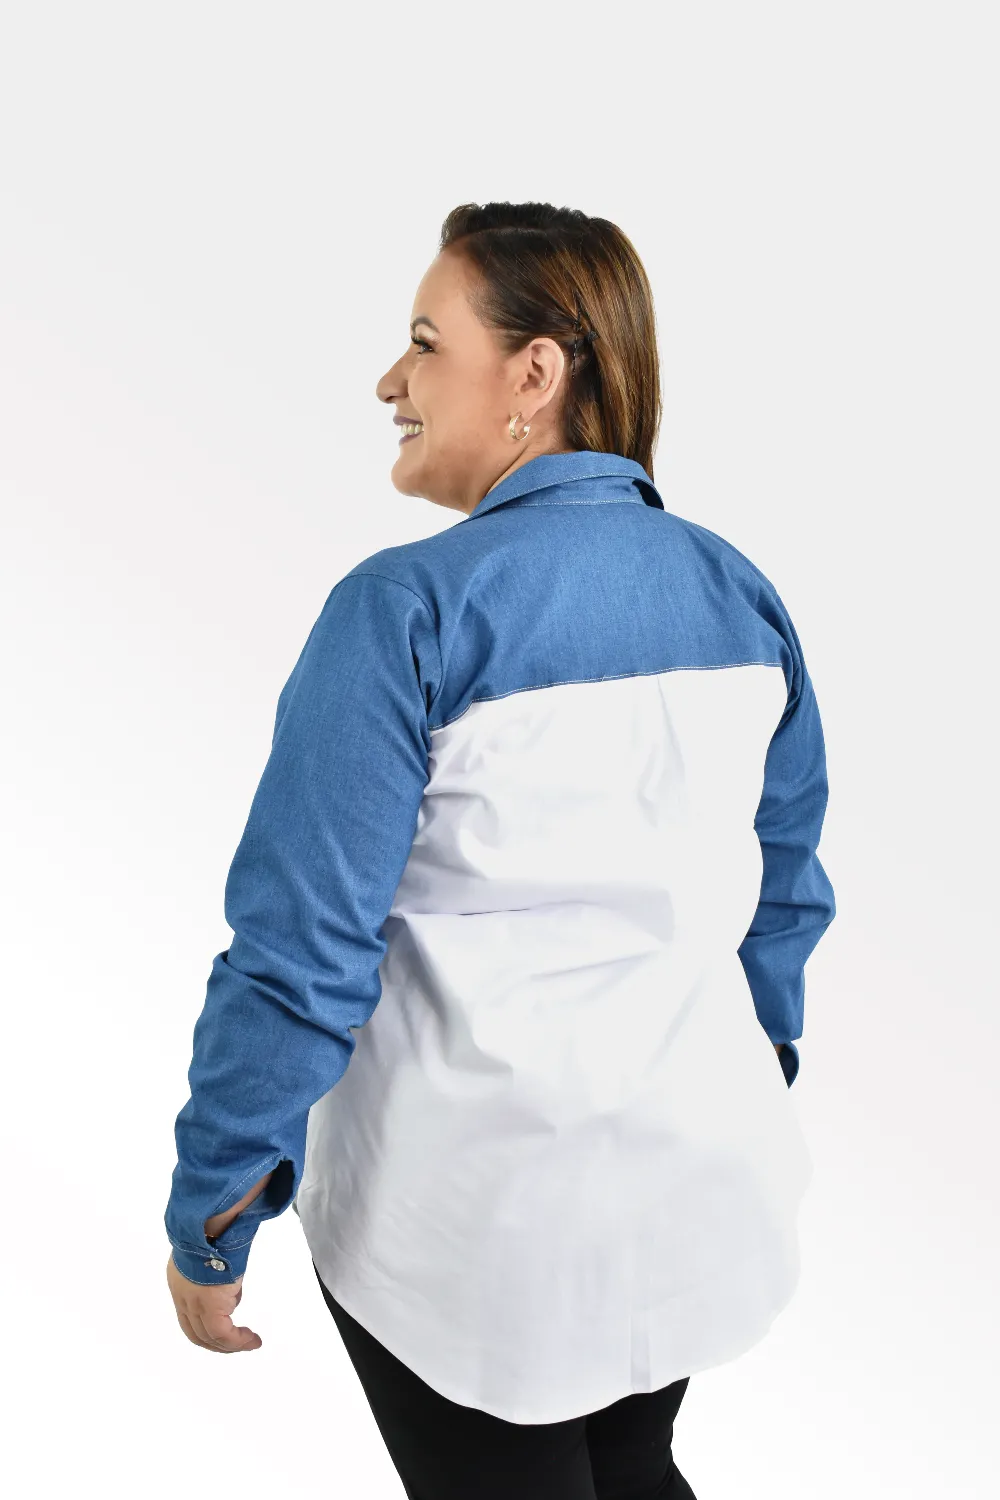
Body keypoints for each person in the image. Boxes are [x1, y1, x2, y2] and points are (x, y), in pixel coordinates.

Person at [164, 200, 836, 1498]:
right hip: (693, 1194)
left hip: (473, 1244)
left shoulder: (405, 610)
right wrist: (742, 1082)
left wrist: (217, 1199)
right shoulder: (740, 595)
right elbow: (784, 897)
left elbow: (302, 950)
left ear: (536, 373)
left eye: (425, 342)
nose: (390, 381)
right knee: (635, 1469)